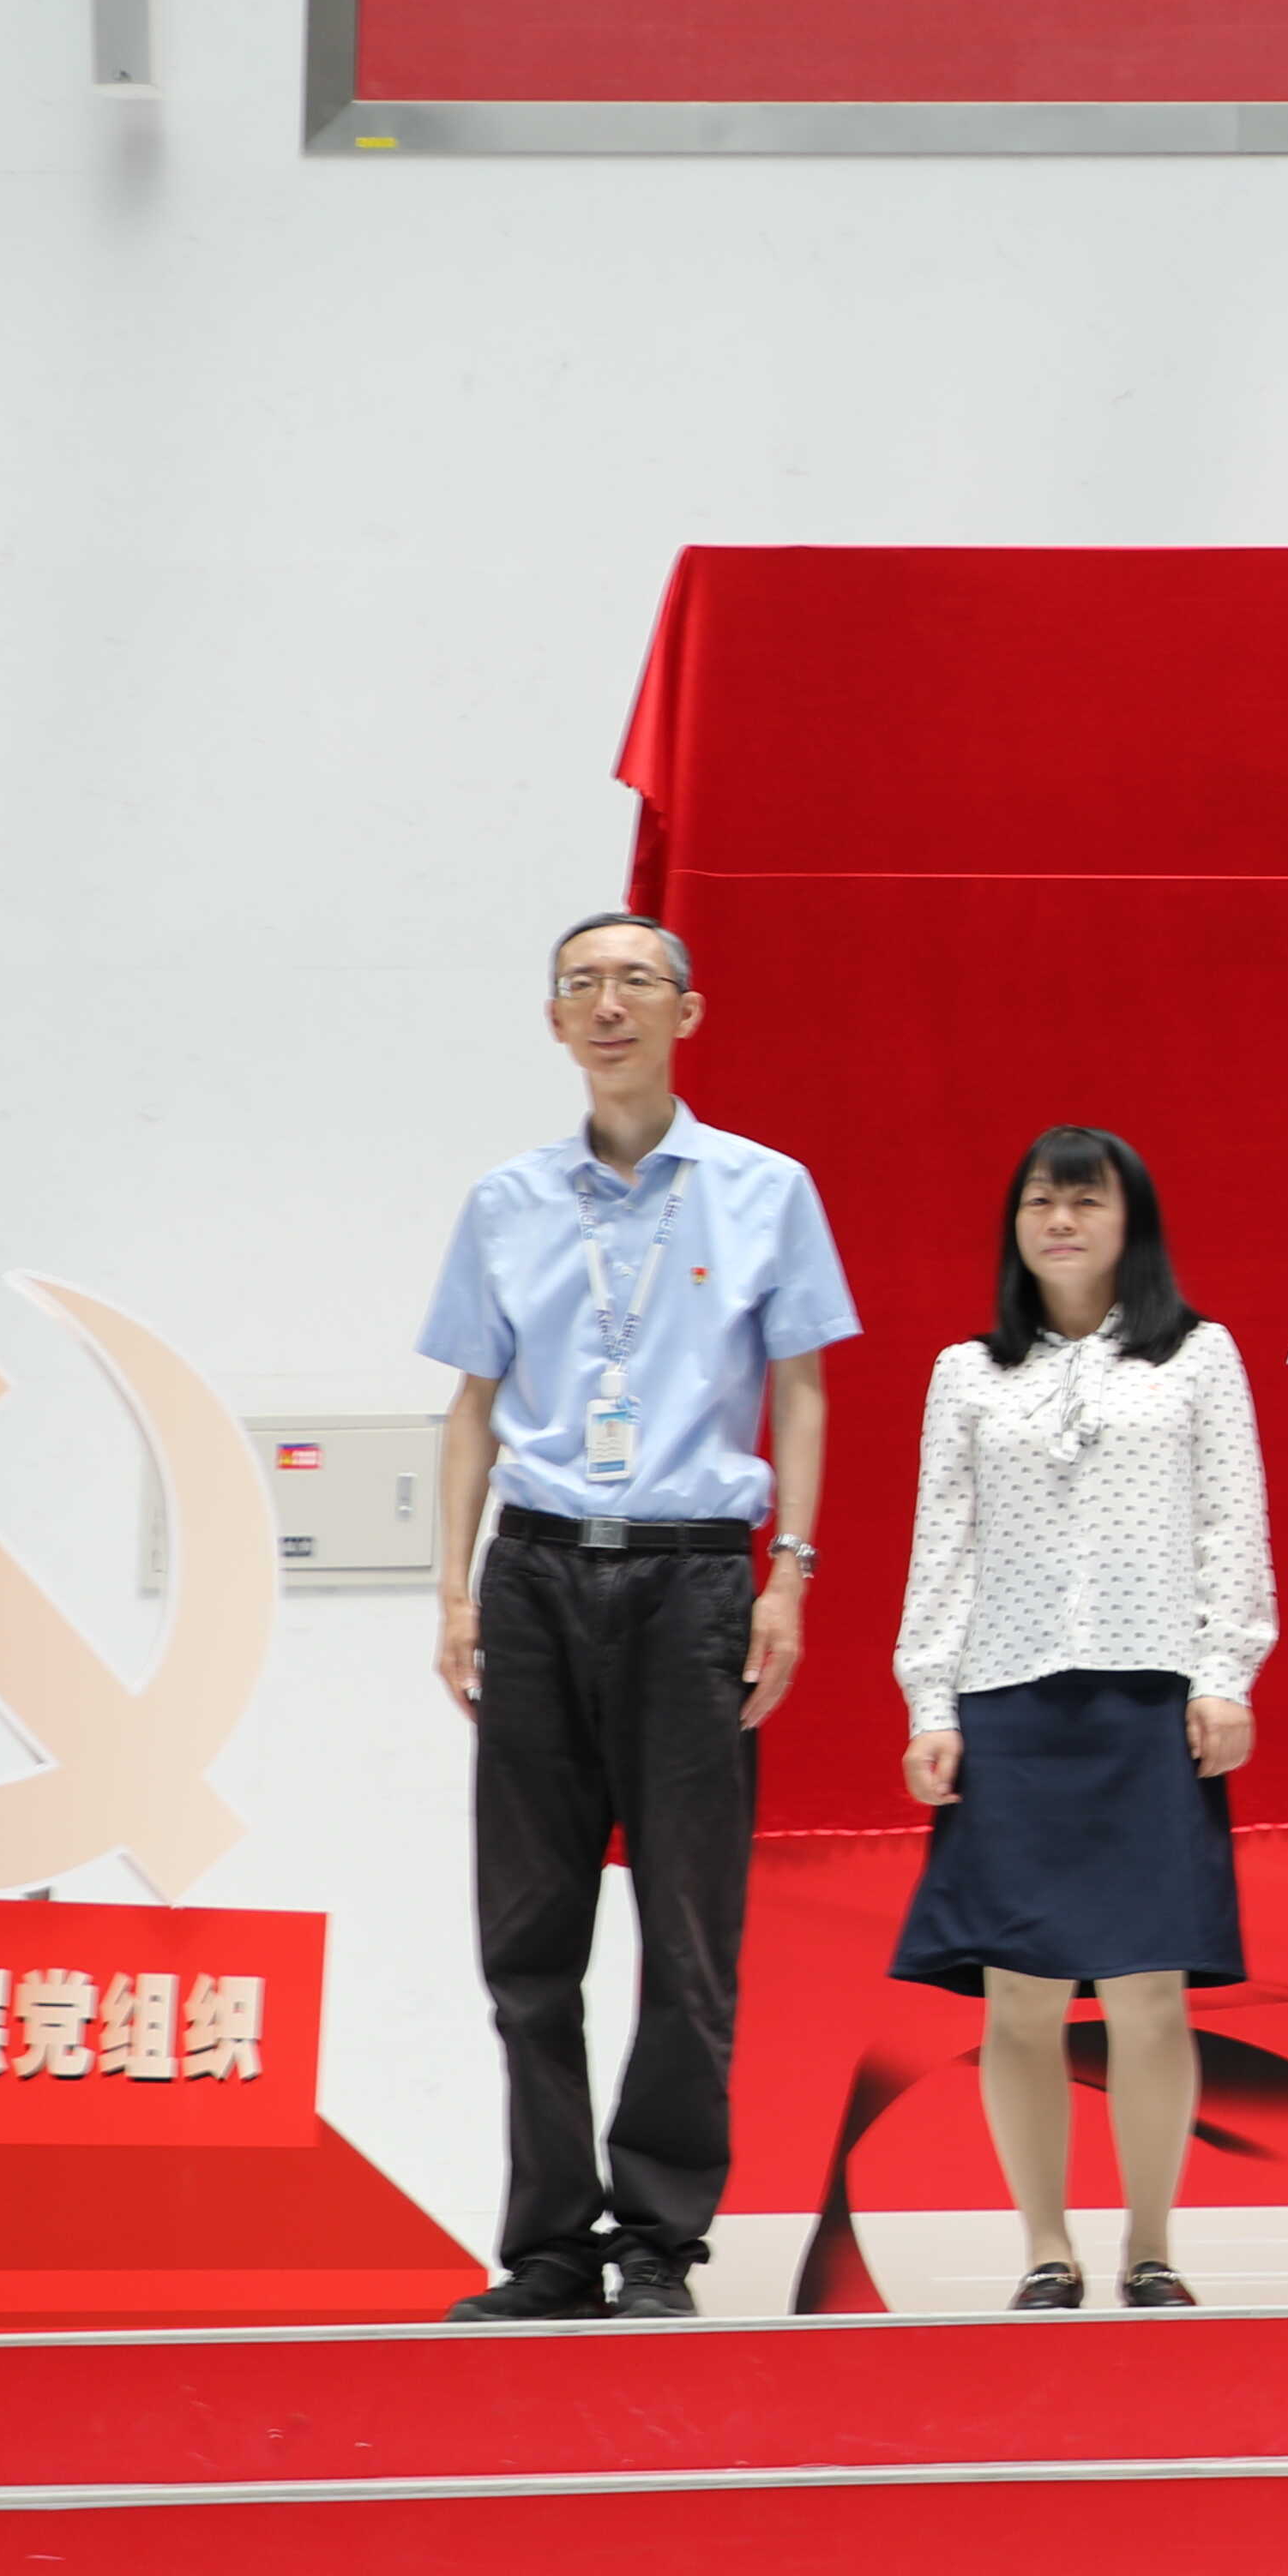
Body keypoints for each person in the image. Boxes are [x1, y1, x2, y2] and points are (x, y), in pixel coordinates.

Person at [419, 911, 858, 2323]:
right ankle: (550, 2246)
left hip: (693, 1577)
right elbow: (472, 1406)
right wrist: (454, 1589)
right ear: (556, 1020)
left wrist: (789, 1573)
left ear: (688, 1011)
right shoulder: (507, 1201)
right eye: (583, 986)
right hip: (539, 1573)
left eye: (636, 983)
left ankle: (659, 2238)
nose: (609, 1006)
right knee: (528, 1931)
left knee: (689, 1928)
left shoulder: (764, 1189)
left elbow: (801, 1390)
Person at [888, 1129, 1274, 2310]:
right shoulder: (968, 1373)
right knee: (1021, 1997)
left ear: (1130, 1221)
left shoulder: (1199, 1355)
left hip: (1148, 1701)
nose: (1060, 1221)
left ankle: (1150, 2248)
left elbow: (1232, 1523)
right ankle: (1045, 2250)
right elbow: (942, 1544)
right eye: (1040, 1203)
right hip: (1008, 1705)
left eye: (1085, 1201)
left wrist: (1224, 1672)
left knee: (1150, 1992)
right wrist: (931, 1700)